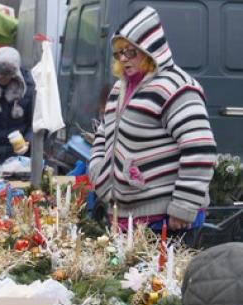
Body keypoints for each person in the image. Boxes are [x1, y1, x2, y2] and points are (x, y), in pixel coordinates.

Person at [88, 6, 216, 232]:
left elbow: (200, 149)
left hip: (164, 220)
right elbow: (103, 132)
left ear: (150, 49)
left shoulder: (177, 87)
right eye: (119, 52)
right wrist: (97, 169)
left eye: (131, 51)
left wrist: (183, 206)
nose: (124, 59)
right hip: (122, 216)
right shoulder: (120, 88)